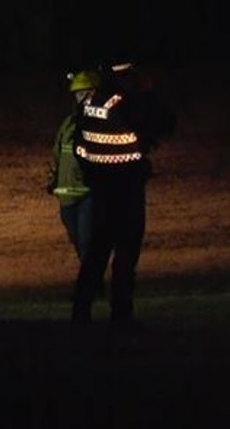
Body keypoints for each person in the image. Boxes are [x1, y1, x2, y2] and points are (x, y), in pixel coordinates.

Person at [71, 60, 176, 325]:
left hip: (100, 189)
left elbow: (79, 146)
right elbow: (163, 124)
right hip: (127, 187)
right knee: (126, 253)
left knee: (96, 253)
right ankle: (121, 312)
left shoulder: (90, 104)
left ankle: (80, 311)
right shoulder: (130, 103)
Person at [47, 69, 101, 261]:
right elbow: (57, 154)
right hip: (66, 198)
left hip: (89, 193)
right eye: (79, 94)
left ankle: (92, 285)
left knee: (87, 242)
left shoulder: (102, 123)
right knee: (78, 241)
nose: (83, 98)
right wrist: (53, 179)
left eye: (87, 93)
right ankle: (92, 281)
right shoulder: (68, 124)